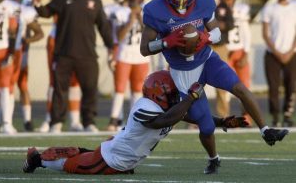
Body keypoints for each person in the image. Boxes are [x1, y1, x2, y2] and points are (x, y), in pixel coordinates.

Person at [140, 0, 289, 174]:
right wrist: (167, 42)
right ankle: (213, 158)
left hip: (207, 58)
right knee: (206, 126)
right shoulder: (155, 10)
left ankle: (266, 130)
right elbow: (144, 49)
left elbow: (217, 32)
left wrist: (204, 38)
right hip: (183, 71)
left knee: (239, 88)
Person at [23, 70, 253, 175]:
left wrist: (222, 121)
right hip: (111, 159)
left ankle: (73, 152)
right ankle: (37, 160)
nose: (176, 98)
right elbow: (164, 120)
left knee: (81, 155)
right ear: (159, 92)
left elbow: (188, 116)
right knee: (69, 167)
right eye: (172, 94)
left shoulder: (165, 108)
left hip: (120, 151)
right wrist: (191, 98)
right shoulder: (146, 107)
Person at [34, 0, 114, 133]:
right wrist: (38, 6)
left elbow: (104, 27)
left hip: (87, 54)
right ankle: (56, 122)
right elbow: (47, 11)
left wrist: (111, 46)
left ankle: (88, 122)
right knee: (59, 89)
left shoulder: (95, 1)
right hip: (64, 53)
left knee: (90, 89)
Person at [38, 0, 84, 133]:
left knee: (75, 82)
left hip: (75, 43)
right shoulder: (59, 3)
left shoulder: (79, 0)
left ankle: (75, 120)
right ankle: (49, 119)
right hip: (57, 42)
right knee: (55, 82)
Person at [107, 0, 150, 131]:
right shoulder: (120, 11)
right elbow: (117, 36)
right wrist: (131, 19)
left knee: (138, 89)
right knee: (119, 88)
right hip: (124, 54)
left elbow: (150, 34)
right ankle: (114, 119)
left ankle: (134, 119)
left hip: (142, 55)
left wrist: (139, 17)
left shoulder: (148, 10)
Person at [8, 0, 44, 132]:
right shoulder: (3, 7)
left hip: (20, 51)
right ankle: (2, 121)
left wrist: (25, 40)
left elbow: (39, 32)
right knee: (3, 88)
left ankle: (27, 121)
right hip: (4, 50)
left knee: (21, 86)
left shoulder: (26, 8)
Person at [262, 0, 296, 127]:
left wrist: (290, 51)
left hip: (292, 53)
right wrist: (276, 52)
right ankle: (275, 117)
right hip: (272, 54)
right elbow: (265, 33)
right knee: (273, 87)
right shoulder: (269, 8)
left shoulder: (295, 6)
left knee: (292, 86)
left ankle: (288, 115)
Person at [219, 0, 253, 126]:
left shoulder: (241, 9)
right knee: (225, 87)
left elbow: (246, 31)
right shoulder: (218, 9)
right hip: (225, 50)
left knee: (244, 87)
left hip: (239, 49)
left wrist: (246, 52)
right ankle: (226, 117)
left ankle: (247, 117)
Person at [0, 0, 20, 134]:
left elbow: (13, 32)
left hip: (4, 49)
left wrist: (11, 52)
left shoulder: (11, 5)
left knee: (5, 87)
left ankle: (6, 122)